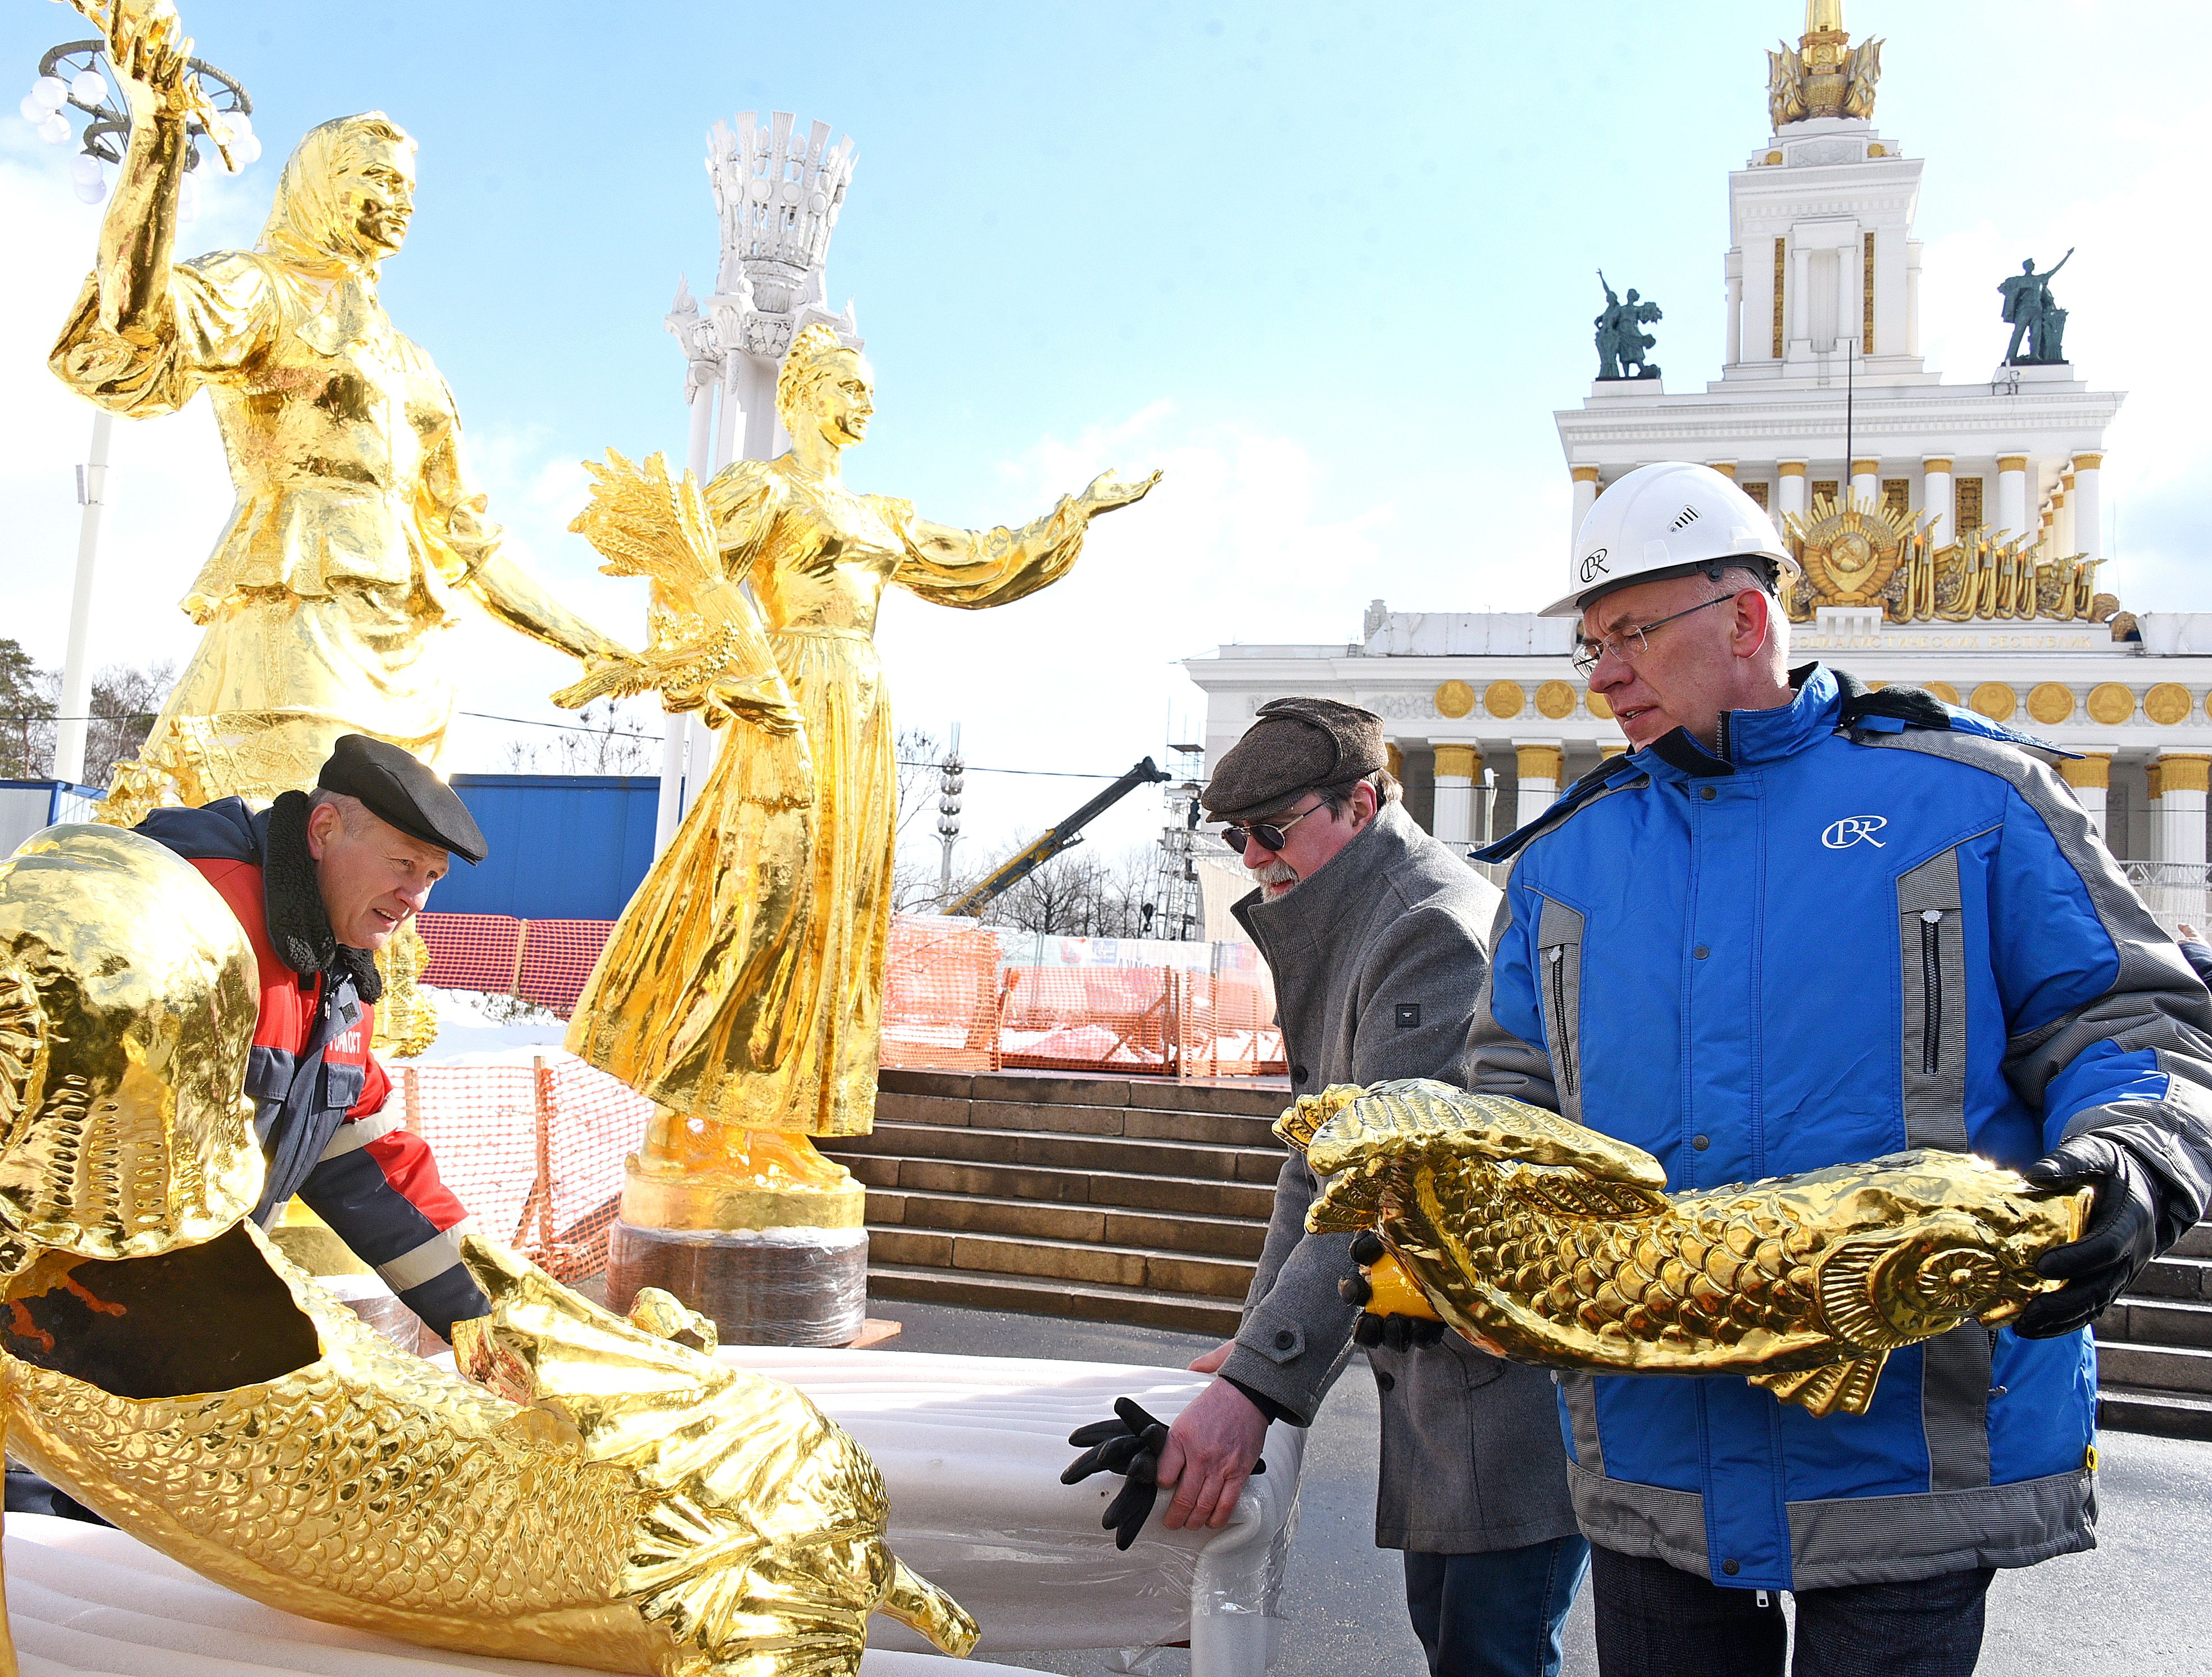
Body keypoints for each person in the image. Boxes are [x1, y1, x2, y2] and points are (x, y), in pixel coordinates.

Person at [1466, 461, 2212, 1675]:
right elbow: (1510, 1083)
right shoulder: (1571, 855)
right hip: (1653, 1431)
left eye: (1630, 636)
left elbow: (2132, 1022)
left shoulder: (1971, 797)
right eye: (1591, 645)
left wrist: (2135, 1153)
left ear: (1747, 619)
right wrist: (1472, 1216)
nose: (1601, 674)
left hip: (1908, 1438)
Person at [49, 0, 628, 825]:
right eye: (381, 180)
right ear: (323, 186)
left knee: (378, 899)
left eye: (410, 187)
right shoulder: (263, 288)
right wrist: (158, 137)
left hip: (410, 660)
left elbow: (470, 543)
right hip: (299, 630)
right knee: (281, 843)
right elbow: (135, 325)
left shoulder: (413, 363)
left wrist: (598, 644)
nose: (405, 202)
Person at [1167, 698, 1586, 1677]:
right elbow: (1311, 1165)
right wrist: (1257, 1335)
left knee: (1492, 1655)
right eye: (1235, 837)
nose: (1253, 856)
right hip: (1454, 1385)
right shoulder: (1358, 912)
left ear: (1358, 803)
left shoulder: (1426, 927)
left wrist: (1256, 1385)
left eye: (1270, 831)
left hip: (1505, 1389)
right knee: (1460, 1643)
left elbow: (1378, 1188)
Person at [135, 734, 494, 1342]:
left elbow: (367, 1167)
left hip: (169, 1315)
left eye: (432, 876)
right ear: (324, 830)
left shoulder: (339, 982)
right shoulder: (194, 918)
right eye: (404, 864)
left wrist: (501, 1321)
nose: (417, 898)